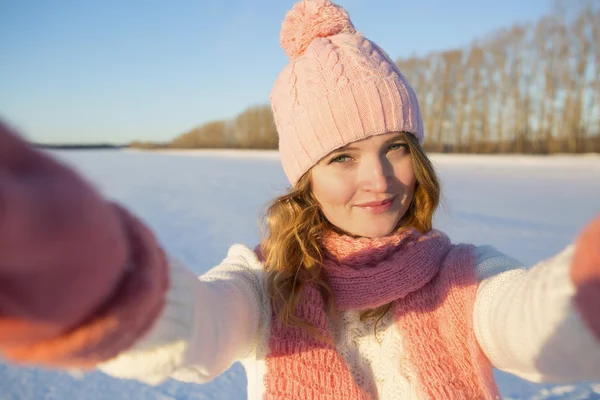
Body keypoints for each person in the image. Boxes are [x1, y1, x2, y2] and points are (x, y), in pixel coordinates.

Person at [1, 0, 599, 398]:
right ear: (305, 177)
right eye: (341, 157)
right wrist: (106, 288)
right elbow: (198, 327)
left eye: (395, 147)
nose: (381, 180)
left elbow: (535, 323)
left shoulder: (464, 274)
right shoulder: (263, 284)